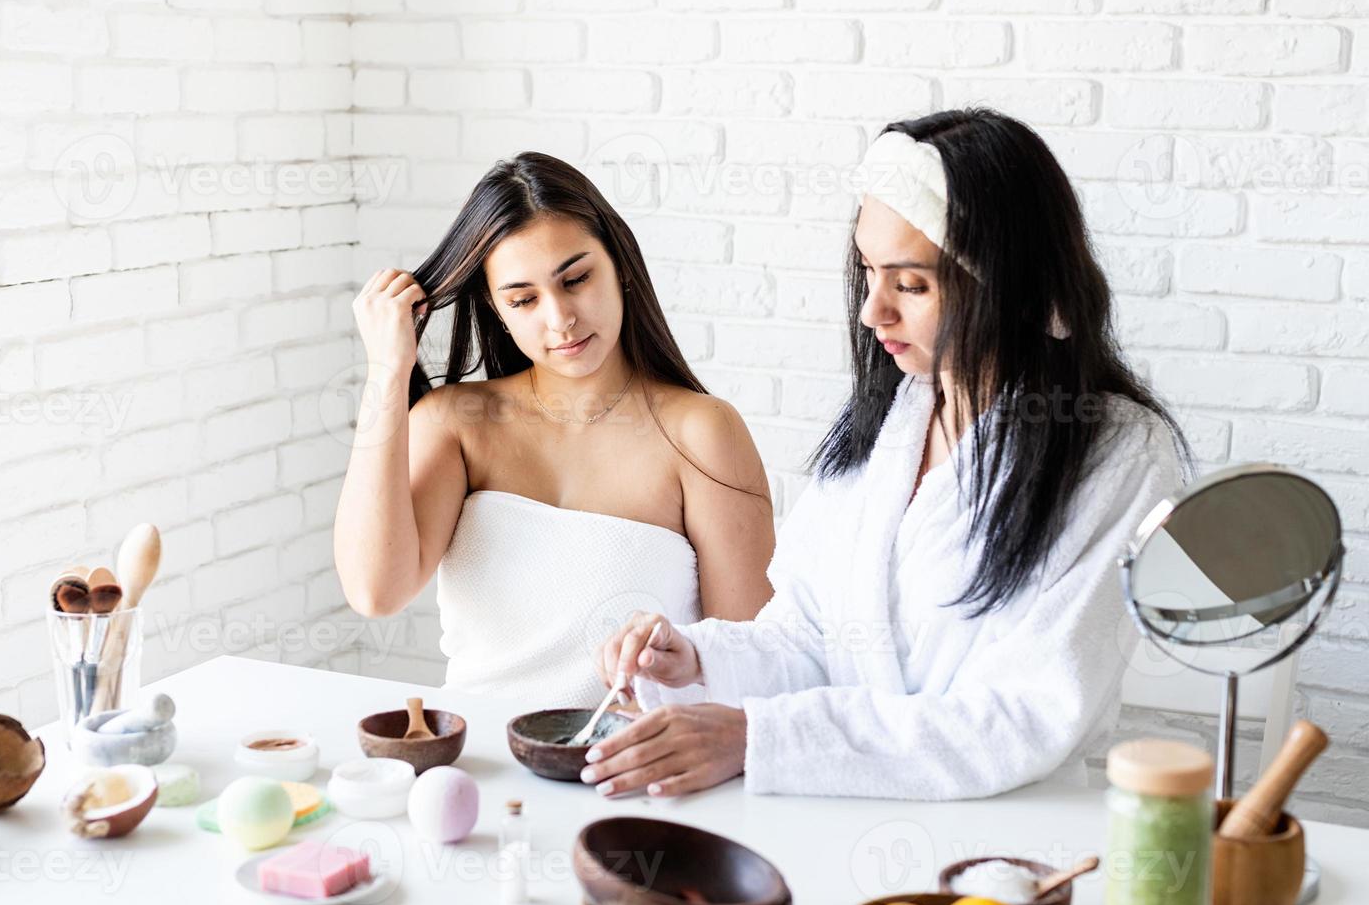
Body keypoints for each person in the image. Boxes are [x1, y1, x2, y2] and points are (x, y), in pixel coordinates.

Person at [582, 108, 1192, 800]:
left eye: (912, 284)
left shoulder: (1115, 456)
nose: (874, 313)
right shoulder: (889, 423)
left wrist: (760, 737)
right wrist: (696, 660)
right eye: (869, 272)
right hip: (834, 805)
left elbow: (1025, 715)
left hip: (1007, 831)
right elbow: (811, 638)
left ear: (1011, 285)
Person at [334, 152, 774, 706]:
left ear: (619, 266)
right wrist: (386, 371)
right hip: (481, 764)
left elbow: (751, 658)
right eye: (523, 299)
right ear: (497, 308)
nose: (559, 317)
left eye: (577, 279)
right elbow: (375, 592)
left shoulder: (701, 433)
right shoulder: (456, 425)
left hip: (637, 768)